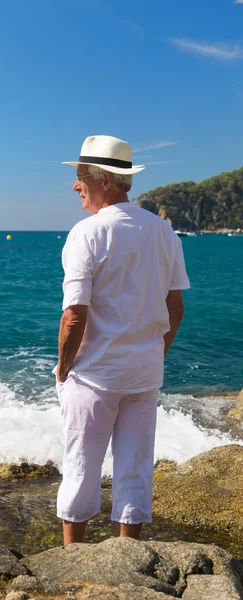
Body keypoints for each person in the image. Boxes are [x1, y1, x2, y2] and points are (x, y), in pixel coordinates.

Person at [54, 135, 190, 545]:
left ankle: (72, 559)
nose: (75, 186)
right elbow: (176, 308)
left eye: (80, 178)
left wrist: (63, 367)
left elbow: (74, 314)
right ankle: (129, 553)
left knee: (80, 465)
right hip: (144, 373)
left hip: (94, 374)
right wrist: (154, 352)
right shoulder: (164, 233)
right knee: (135, 465)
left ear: (104, 181)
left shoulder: (88, 233)